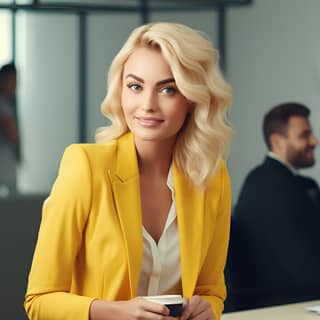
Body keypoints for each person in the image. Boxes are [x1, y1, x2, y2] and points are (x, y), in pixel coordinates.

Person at [24, 22, 233, 320]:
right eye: (135, 86)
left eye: (168, 89)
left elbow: (212, 291)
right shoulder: (85, 165)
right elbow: (38, 301)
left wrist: (208, 309)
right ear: (120, 91)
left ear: (192, 98)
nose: (147, 105)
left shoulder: (212, 177)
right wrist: (114, 312)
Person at [229, 102, 320, 310]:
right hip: (284, 304)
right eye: (304, 135)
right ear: (277, 142)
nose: (314, 141)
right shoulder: (270, 185)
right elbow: (299, 263)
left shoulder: (293, 183)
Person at [0, 62, 19, 193]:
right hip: (4, 163)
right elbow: (13, 136)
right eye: (12, 81)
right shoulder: (3, 105)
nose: (15, 86)